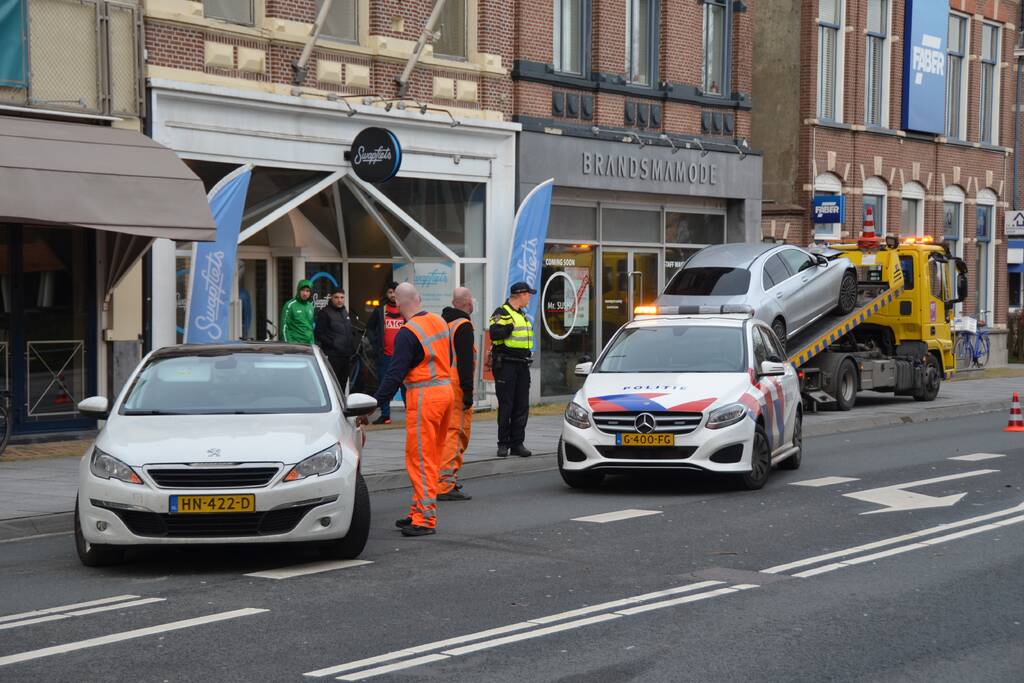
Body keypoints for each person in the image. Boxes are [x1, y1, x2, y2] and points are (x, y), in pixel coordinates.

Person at [361, 282, 454, 537]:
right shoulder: (438, 321)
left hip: (425, 397)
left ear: (399, 304)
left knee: (420, 459)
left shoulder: (407, 332)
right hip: (445, 393)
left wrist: (373, 407)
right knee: (432, 457)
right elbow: (451, 358)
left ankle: (424, 518)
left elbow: (393, 375)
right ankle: (417, 510)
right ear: (419, 298)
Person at [489, 282, 535, 458]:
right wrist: (509, 328)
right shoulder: (502, 312)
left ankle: (517, 443)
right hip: (506, 365)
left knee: (521, 405)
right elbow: (495, 333)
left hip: (522, 365)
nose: (530, 297)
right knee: (507, 405)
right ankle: (503, 444)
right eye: (528, 294)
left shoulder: (521, 314)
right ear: (520, 294)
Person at [438, 287, 475, 502]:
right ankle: (445, 483)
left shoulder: (445, 323)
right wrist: (468, 391)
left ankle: (441, 479)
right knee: (456, 433)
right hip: (457, 387)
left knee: (444, 435)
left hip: (442, 385)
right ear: (467, 304)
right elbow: (465, 362)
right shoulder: (463, 326)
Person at [366, 282, 406, 424]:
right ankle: (385, 415)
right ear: (386, 294)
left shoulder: (406, 310)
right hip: (385, 356)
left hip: (403, 357)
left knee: (405, 386)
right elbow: (369, 328)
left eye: (395, 292)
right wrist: (376, 344)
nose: (393, 295)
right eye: (390, 292)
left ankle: (411, 414)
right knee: (384, 385)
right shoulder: (380, 310)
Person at [315, 288, 355, 393]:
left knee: (342, 384)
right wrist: (333, 344)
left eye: (342, 297)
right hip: (333, 355)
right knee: (332, 385)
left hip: (346, 356)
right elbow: (319, 333)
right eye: (336, 297)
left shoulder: (345, 312)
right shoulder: (324, 313)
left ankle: (341, 408)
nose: (339, 300)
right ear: (331, 298)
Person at [280, 279, 314, 344]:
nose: (305, 293)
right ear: (298, 290)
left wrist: (312, 342)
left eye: (307, 291)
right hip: (295, 346)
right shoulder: (290, 305)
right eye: (302, 290)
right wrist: (289, 345)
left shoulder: (310, 306)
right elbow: (284, 327)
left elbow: (310, 327)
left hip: (308, 345)